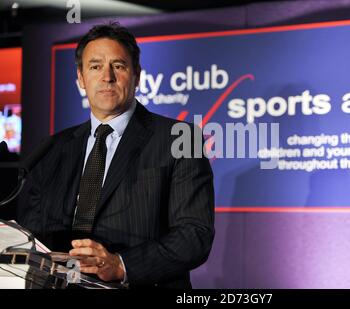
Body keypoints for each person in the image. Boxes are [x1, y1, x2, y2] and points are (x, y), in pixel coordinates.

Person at [18, 22, 215, 288]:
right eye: (95, 66)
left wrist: (121, 264)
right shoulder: (53, 148)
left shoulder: (181, 137)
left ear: (137, 76)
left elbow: (195, 235)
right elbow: (32, 233)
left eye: (119, 66)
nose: (107, 76)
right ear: (80, 78)